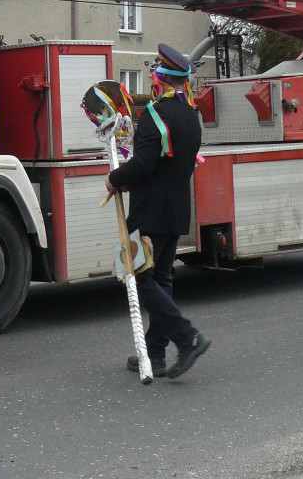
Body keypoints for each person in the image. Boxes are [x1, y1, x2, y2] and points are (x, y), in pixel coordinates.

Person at [106, 44, 211, 379]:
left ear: (160, 78)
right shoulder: (190, 115)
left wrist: (115, 178)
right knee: (161, 278)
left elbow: (143, 164)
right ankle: (155, 355)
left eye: (154, 74)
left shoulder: (155, 113)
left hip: (149, 211)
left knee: (138, 276)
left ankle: (188, 336)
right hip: (177, 208)